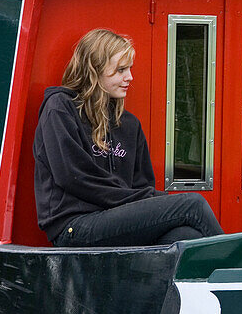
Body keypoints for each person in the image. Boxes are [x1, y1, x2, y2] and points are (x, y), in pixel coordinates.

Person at [33, 28, 224, 247]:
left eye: (129, 68)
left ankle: (160, 281)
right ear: (94, 70)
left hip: (117, 220)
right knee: (193, 204)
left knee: (186, 235)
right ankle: (238, 271)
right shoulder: (59, 108)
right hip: (74, 225)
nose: (129, 77)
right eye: (120, 70)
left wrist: (151, 201)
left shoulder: (128, 124)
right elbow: (73, 177)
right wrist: (150, 201)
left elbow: (141, 185)